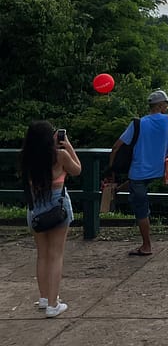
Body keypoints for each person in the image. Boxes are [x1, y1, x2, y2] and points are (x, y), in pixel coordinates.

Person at [110, 89, 168, 257]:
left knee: (141, 209)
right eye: (166, 103)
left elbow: (116, 146)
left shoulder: (139, 123)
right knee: (137, 186)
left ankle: (146, 246)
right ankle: (119, 189)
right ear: (160, 105)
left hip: (139, 171)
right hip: (160, 170)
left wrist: (111, 170)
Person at [20, 121, 81, 318]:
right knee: (56, 255)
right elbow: (77, 170)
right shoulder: (59, 155)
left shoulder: (25, 158)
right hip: (57, 207)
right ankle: (53, 305)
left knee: (42, 254)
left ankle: (44, 297)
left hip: (35, 207)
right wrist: (68, 145)